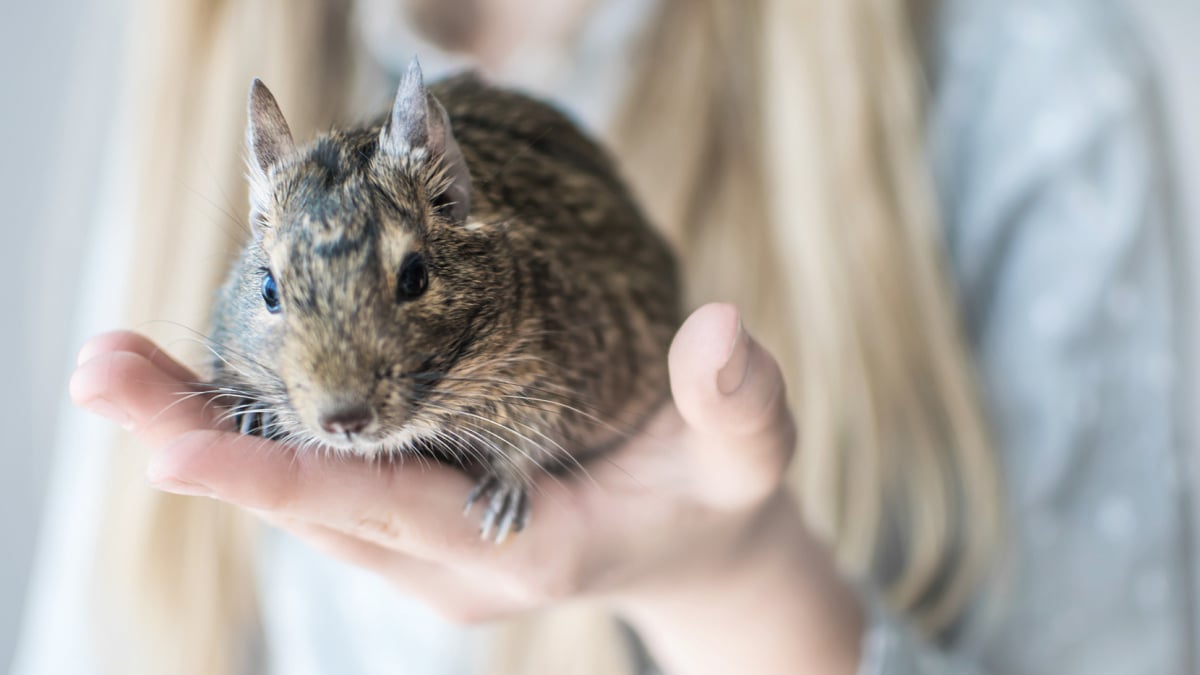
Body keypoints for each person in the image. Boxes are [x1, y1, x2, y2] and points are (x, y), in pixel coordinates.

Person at [15, 0, 1185, 673]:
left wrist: (736, 582)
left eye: (408, 282)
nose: (338, 399)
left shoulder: (1022, 67)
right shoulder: (214, 51)